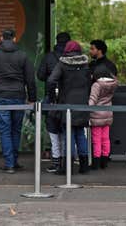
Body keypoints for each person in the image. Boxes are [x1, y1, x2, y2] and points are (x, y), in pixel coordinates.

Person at [0, 29, 36, 174]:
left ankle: (9, 163)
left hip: (1, 96)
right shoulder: (23, 56)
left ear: (1, 38)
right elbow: (30, 79)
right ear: (14, 38)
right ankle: (14, 161)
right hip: (19, 96)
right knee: (16, 129)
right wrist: (32, 98)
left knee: (5, 130)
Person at [48, 40, 91, 174]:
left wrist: (53, 98)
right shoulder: (86, 64)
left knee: (69, 134)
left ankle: (67, 167)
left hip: (67, 103)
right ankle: (84, 166)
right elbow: (90, 82)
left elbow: (51, 81)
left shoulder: (63, 64)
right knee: (80, 133)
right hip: (83, 104)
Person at [36, 31, 71, 173]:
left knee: (51, 129)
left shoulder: (49, 57)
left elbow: (40, 75)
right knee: (66, 129)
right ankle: (66, 160)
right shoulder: (73, 58)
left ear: (56, 41)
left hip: (51, 97)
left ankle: (54, 158)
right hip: (68, 97)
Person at [89, 70, 118, 170]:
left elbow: (93, 99)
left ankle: (96, 162)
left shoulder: (97, 85)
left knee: (96, 139)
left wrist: (86, 108)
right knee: (105, 139)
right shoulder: (112, 84)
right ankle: (104, 161)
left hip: (97, 115)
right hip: (108, 113)